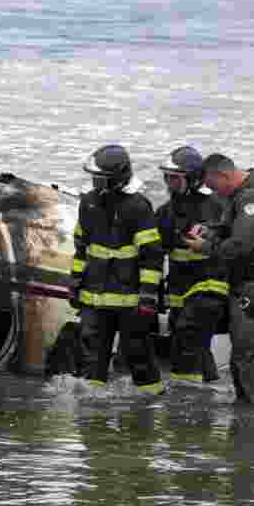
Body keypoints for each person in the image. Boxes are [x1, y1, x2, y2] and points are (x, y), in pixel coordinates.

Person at [183, 153, 254, 406]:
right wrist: (211, 230)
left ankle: (253, 414)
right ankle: (248, 406)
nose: (214, 192)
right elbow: (231, 229)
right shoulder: (239, 194)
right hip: (243, 282)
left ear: (223, 175)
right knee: (244, 348)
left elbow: (241, 245)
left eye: (213, 185)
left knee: (245, 352)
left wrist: (205, 247)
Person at [70, 144, 164, 394]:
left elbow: (151, 256)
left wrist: (147, 296)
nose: (94, 183)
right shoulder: (88, 203)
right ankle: (90, 415)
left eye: (100, 179)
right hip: (94, 298)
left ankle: (152, 406)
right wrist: (75, 282)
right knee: (91, 360)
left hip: (131, 302)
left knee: (138, 357)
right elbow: (81, 248)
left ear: (117, 179)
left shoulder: (138, 207)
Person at [155, 146, 228, 386]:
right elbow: (154, 251)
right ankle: (208, 389)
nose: (169, 183)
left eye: (174, 178)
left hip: (209, 287)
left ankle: (187, 397)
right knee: (186, 339)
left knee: (188, 336)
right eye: (166, 177)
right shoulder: (165, 212)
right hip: (178, 292)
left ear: (193, 178)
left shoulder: (216, 206)